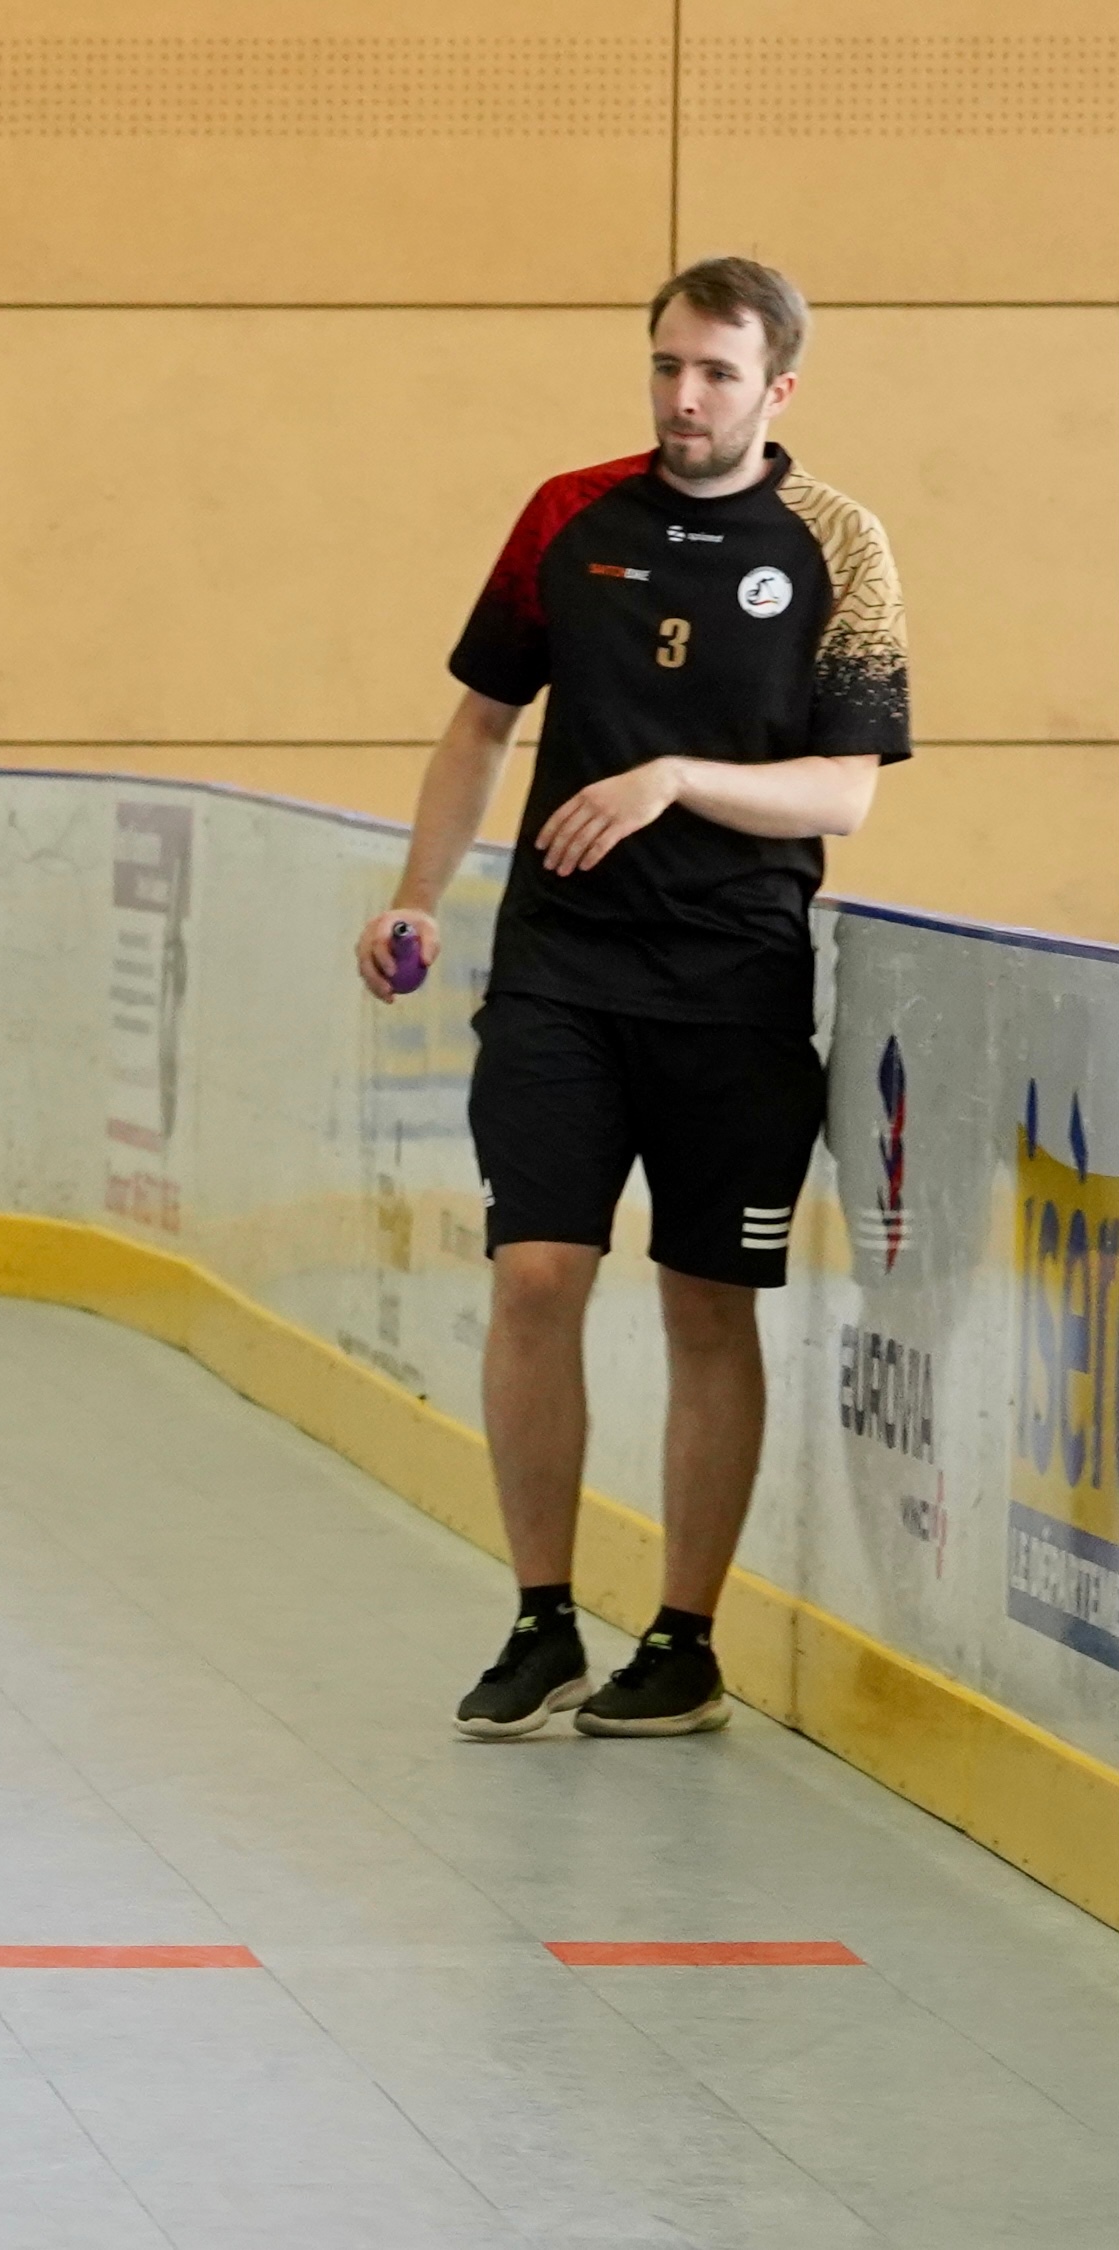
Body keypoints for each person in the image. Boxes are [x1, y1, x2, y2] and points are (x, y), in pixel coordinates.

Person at [363, 256, 906, 1741]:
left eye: (715, 373)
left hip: (732, 982)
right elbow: (480, 720)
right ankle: (539, 1615)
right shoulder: (564, 515)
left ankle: (680, 1637)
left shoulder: (836, 544)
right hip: (559, 969)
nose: (682, 396)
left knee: (702, 1304)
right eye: (665, 366)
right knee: (535, 1271)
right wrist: (416, 893)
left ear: (774, 388)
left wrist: (672, 777)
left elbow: (842, 793)